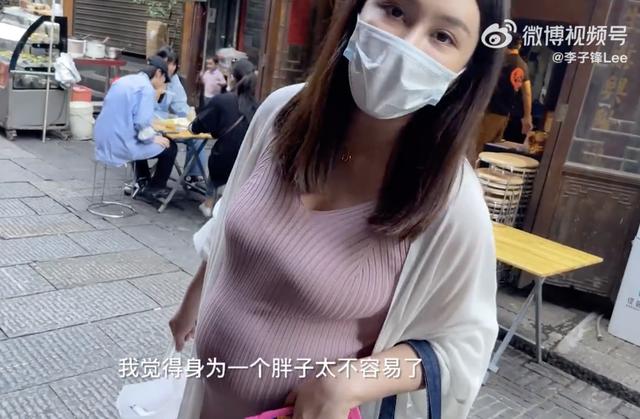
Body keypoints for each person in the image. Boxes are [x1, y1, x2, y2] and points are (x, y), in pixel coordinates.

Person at [171, 0, 504, 418]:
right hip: (208, 399)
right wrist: (193, 300)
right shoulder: (281, 113)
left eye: (443, 36)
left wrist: (352, 382)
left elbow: (464, 344)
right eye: (394, 10)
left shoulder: (452, 200)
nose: (408, 44)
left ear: (467, 70)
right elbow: (230, 216)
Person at [94, 56, 177, 202]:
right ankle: (154, 189)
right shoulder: (146, 88)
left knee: (142, 138)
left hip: (101, 139)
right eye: (164, 79)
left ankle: (143, 180)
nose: (163, 84)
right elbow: (142, 124)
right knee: (170, 146)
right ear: (159, 73)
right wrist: (153, 138)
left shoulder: (124, 80)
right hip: (121, 144)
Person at [190, 59, 258, 217]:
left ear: (232, 77)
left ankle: (209, 203)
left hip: (223, 160)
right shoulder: (257, 106)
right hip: (247, 161)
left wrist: (192, 125)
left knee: (219, 156)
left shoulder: (222, 100)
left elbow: (199, 125)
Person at [473, 32, 532, 161]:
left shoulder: (498, 62)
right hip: (504, 115)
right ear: (519, 46)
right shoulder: (523, 66)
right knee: (492, 150)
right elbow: (527, 93)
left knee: (477, 147)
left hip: (487, 111)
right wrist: (527, 116)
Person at [155, 47, 208, 186]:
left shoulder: (173, 79)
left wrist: (192, 118)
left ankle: (192, 176)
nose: (170, 68)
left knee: (196, 136)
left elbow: (180, 104)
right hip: (149, 124)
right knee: (167, 145)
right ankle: (144, 179)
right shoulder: (149, 78)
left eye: (173, 64)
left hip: (165, 123)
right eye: (167, 63)